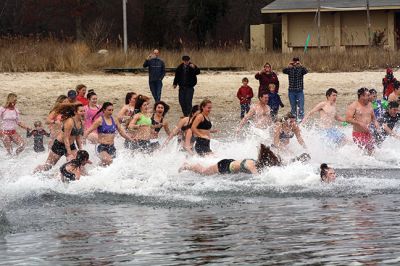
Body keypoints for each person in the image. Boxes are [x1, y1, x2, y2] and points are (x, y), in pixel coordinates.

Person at [34, 104, 85, 173]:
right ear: (75, 112)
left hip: (71, 145)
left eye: (84, 111)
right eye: (81, 111)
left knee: (79, 164)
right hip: (59, 145)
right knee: (48, 166)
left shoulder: (82, 122)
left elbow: (78, 137)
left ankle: (82, 179)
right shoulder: (70, 121)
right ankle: (35, 172)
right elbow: (65, 138)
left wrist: (81, 151)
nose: (83, 113)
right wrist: (69, 153)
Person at [179, 144, 282, 175]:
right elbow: (258, 177)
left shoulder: (257, 163)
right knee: (203, 172)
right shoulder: (252, 165)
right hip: (224, 165)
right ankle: (187, 165)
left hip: (230, 164)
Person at [345, 87, 380, 155]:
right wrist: (360, 123)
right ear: (361, 96)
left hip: (368, 133)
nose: (370, 97)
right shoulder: (353, 106)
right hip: (358, 134)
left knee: (372, 152)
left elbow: (373, 118)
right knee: (364, 152)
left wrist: (376, 123)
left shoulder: (370, 104)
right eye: (368, 95)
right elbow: (348, 119)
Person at [282, 57, 308, 121]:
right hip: (291, 92)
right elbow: (283, 71)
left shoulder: (301, 69)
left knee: (301, 107)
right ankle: (294, 121)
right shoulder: (290, 69)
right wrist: (288, 66)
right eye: (294, 61)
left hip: (300, 91)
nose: (295, 63)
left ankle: (301, 121)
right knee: (293, 108)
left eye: (297, 61)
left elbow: (306, 71)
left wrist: (301, 66)